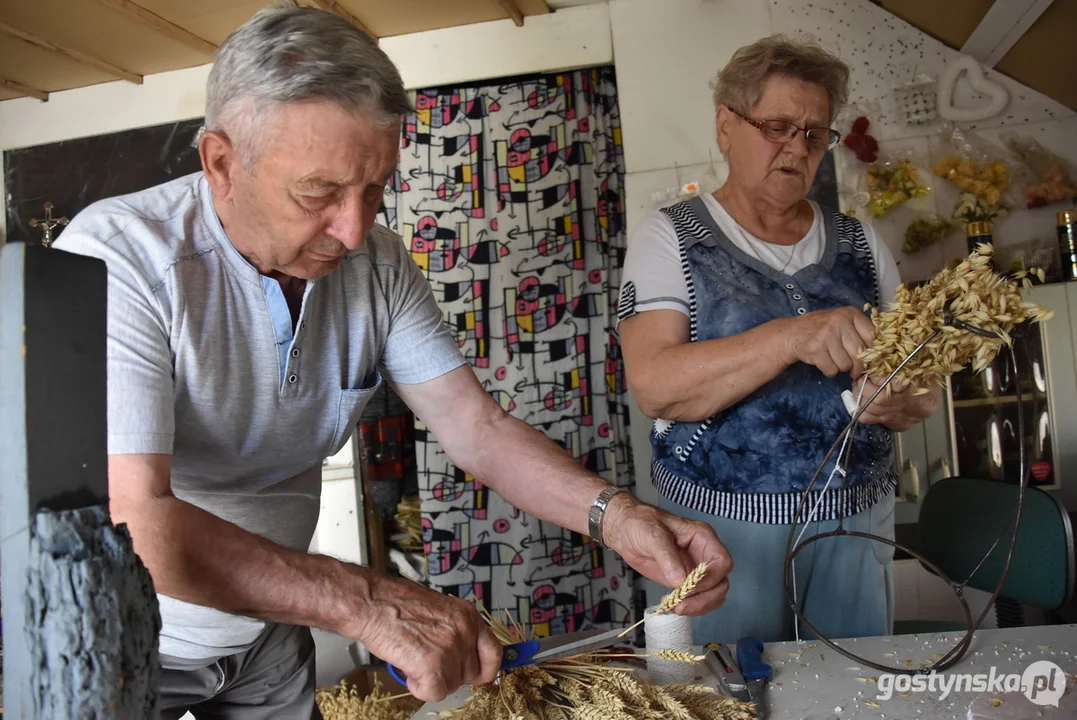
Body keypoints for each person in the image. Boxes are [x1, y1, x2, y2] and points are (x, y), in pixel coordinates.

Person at [53, 7, 733, 718]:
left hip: (267, 633)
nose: (352, 230)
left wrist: (615, 515)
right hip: (134, 640)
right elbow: (135, 522)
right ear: (222, 164)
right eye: (318, 193)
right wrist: (371, 603)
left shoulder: (375, 262)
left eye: (373, 188)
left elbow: (477, 429)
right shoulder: (118, 259)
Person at [617, 35, 940, 647]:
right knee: (732, 698)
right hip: (722, 532)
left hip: (854, 522)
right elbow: (656, 387)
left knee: (856, 694)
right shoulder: (671, 239)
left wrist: (904, 398)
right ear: (725, 125)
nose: (798, 147)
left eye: (815, 134)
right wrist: (794, 336)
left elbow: (923, 384)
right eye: (778, 126)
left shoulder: (862, 243)